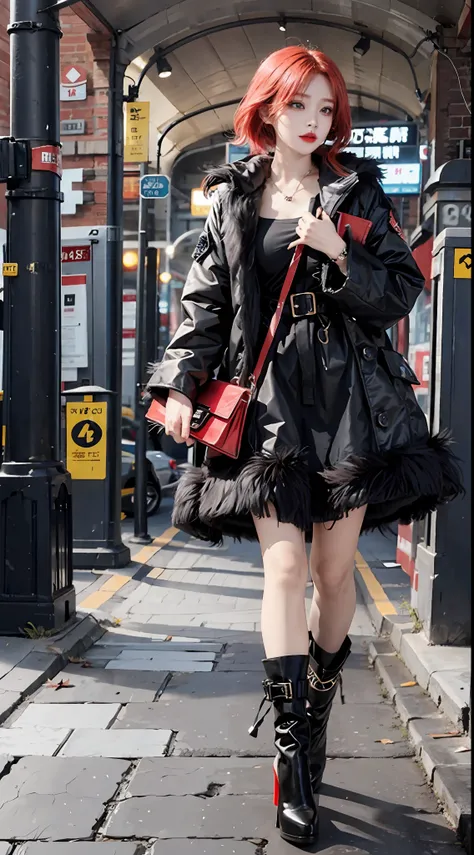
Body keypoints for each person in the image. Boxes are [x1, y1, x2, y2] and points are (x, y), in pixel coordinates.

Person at [147, 46, 463, 847]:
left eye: (326, 108)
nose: (315, 121)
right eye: (300, 106)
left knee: (332, 577)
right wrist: (181, 384)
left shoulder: (357, 190)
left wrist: (335, 251)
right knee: (285, 566)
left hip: (348, 403)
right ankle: (292, 755)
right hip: (271, 405)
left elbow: (399, 287)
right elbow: (206, 300)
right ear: (267, 108)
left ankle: (315, 711)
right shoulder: (231, 198)